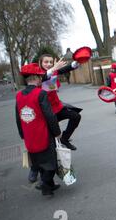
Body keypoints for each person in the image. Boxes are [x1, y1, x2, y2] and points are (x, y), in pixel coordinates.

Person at [26, 55, 81, 184]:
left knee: (76, 117)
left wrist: (76, 63)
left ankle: (65, 139)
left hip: (57, 108)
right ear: (40, 63)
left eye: (51, 62)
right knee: (44, 144)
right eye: (46, 62)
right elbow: (44, 77)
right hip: (45, 113)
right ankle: (35, 169)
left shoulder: (54, 71)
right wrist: (53, 68)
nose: (49, 64)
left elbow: (65, 69)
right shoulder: (37, 75)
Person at [15, 63, 62, 196]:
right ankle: (45, 184)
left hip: (29, 136)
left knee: (40, 163)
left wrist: (22, 134)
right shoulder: (40, 93)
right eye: (40, 77)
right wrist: (57, 132)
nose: (41, 79)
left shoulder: (19, 96)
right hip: (43, 134)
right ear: (36, 77)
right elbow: (50, 115)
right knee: (51, 163)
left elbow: (18, 117)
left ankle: (50, 187)